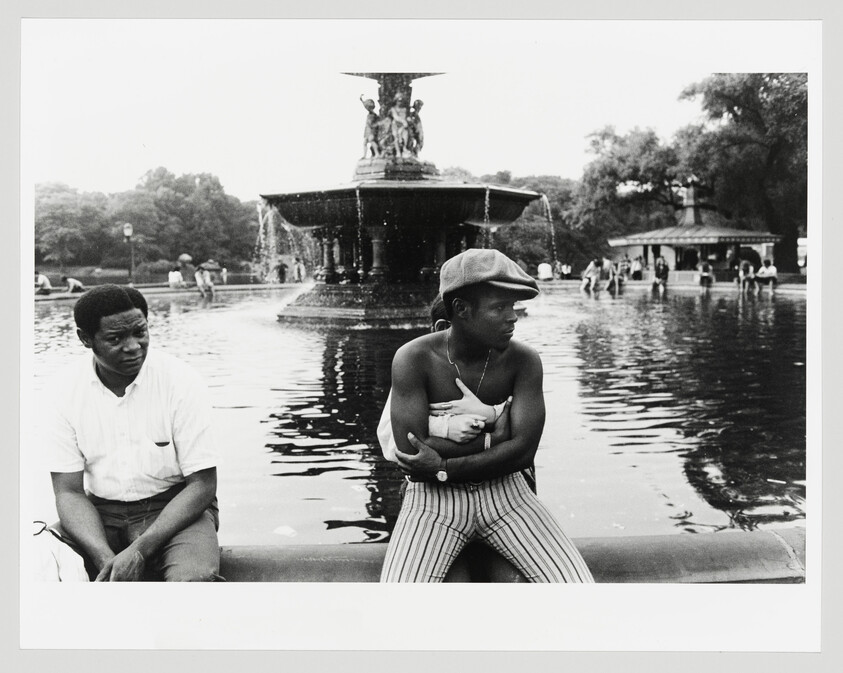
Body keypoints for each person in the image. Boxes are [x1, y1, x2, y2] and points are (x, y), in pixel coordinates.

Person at [380, 248, 594, 583]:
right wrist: (499, 438)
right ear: (461, 310)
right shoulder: (413, 358)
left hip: (507, 496)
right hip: (433, 503)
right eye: (499, 307)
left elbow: (523, 452)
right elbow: (412, 454)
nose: (513, 317)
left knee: (576, 588)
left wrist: (442, 466)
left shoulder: (524, 361)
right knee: (400, 600)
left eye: (513, 306)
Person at [41, 285, 222, 581]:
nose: (133, 346)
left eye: (140, 332)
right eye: (116, 338)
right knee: (42, 564)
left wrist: (139, 550)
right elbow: (69, 492)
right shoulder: (62, 392)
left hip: (175, 509)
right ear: (85, 339)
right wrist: (104, 557)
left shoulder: (181, 382)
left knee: (193, 582)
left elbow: (202, 484)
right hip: (100, 513)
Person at [377, 294, 531, 582]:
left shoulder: (507, 363)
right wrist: (468, 433)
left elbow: (522, 444)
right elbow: (398, 444)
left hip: (500, 492)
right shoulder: (416, 367)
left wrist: (487, 415)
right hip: (437, 497)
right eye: (498, 308)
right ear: (441, 329)